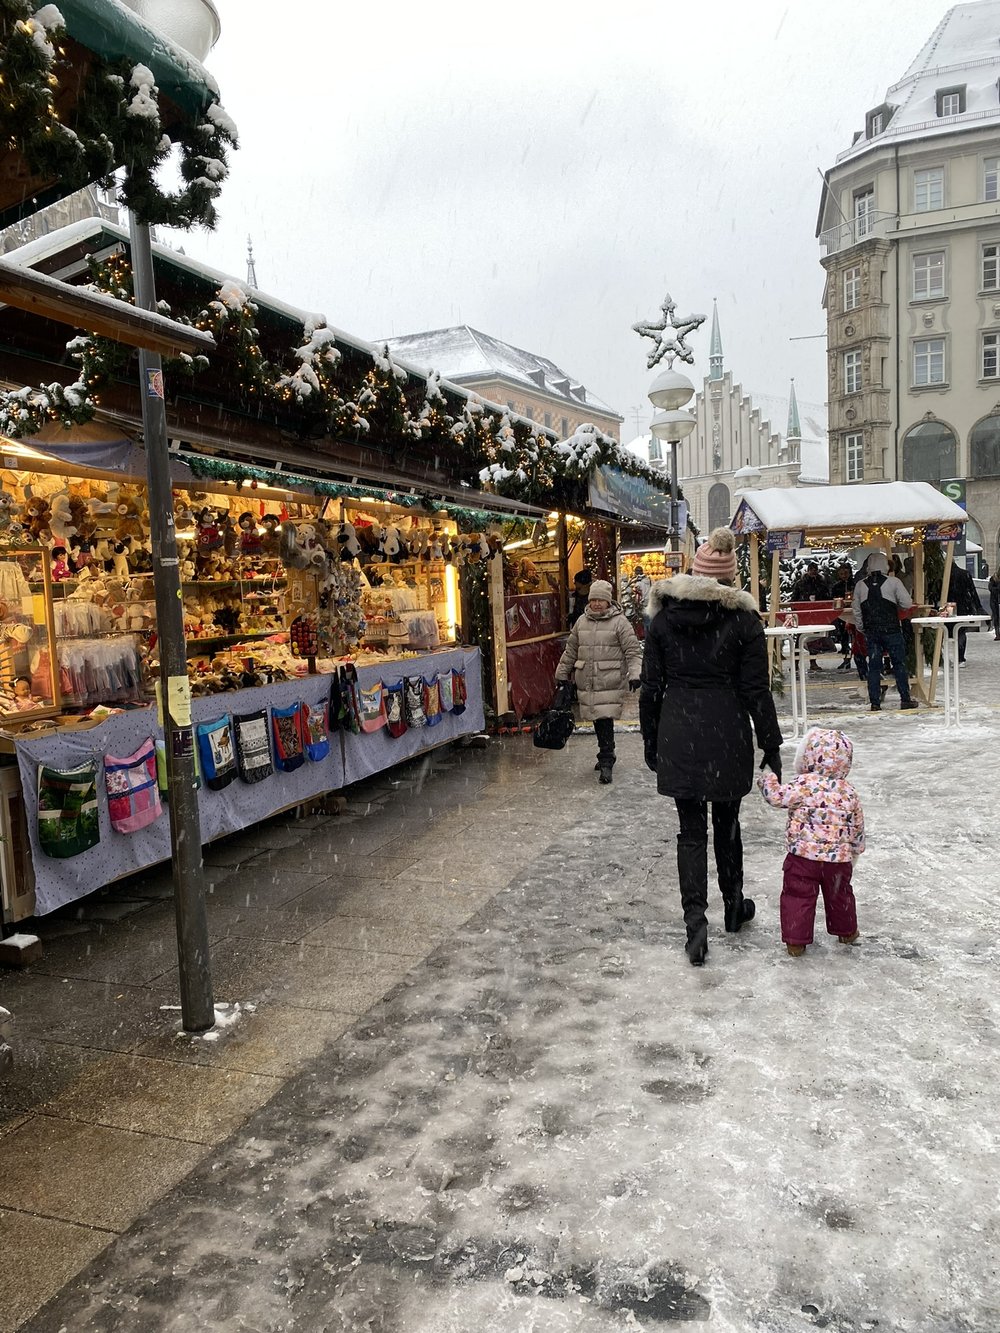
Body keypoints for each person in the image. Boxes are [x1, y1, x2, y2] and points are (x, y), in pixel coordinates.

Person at [639, 527, 783, 966]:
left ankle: (695, 925)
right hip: (728, 732)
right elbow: (757, 688)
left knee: (690, 831)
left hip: (678, 732)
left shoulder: (663, 620)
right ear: (729, 582)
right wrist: (771, 743)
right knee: (728, 822)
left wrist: (651, 738)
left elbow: (650, 688)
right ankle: (734, 905)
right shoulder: (743, 621)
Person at [759, 727, 864, 957]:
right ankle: (846, 931)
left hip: (803, 858)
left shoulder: (803, 784)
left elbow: (777, 797)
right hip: (838, 861)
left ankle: (796, 941)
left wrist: (768, 780)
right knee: (840, 894)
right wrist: (856, 848)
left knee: (797, 895)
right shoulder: (849, 792)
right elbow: (857, 825)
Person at [555, 578, 642, 786]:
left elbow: (632, 650)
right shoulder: (582, 622)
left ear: (608, 602)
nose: (596, 604)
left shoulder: (619, 622)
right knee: (596, 718)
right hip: (587, 680)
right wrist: (562, 672)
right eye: (593, 600)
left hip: (608, 679)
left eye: (600, 601)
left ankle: (606, 758)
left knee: (604, 718)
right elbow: (571, 650)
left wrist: (635, 674)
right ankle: (606, 752)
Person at [852, 551, 918, 712]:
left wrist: (862, 626)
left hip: (872, 631)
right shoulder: (894, 582)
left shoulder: (860, 585)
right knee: (899, 664)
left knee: (874, 667)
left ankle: (875, 702)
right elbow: (907, 603)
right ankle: (905, 698)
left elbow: (856, 610)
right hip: (892, 630)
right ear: (885, 565)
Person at [793, 562, 830, 672]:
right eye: (812, 569)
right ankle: (796, 662)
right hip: (804, 613)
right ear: (808, 570)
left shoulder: (821, 583)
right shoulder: (801, 583)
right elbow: (794, 598)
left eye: (815, 569)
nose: (813, 572)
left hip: (816, 613)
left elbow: (826, 597)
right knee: (800, 637)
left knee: (814, 638)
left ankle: (812, 662)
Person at [944, 563, 982, 664]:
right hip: (962, 606)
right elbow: (972, 591)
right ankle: (960, 658)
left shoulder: (944, 575)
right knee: (960, 631)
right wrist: (978, 607)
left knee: (946, 631)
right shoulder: (964, 574)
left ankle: (945, 658)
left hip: (947, 606)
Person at [829, 561, 854, 670]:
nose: (844, 576)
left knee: (856, 636)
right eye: (842, 573)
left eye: (846, 573)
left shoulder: (855, 584)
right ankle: (846, 658)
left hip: (854, 613)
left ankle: (858, 656)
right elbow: (833, 598)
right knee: (844, 636)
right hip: (841, 614)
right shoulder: (836, 586)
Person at [989, 568, 1000, 641]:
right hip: (994, 601)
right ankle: (997, 634)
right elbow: (991, 588)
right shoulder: (993, 578)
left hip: (995, 600)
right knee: (996, 617)